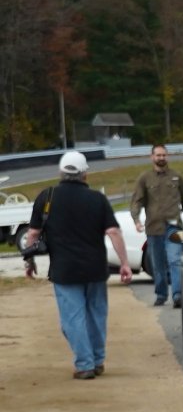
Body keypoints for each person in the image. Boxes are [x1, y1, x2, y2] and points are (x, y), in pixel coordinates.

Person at [22, 151, 132, 379]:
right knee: (96, 316)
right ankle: (97, 360)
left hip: (64, 270)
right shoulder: (97, 199)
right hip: (95, 269)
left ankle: (84, 364)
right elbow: (113, 232)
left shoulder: (47, 197)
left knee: (73, 319)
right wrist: (124, 264)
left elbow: (33, 234)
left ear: (61, 172)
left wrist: (29, 262)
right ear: (85, 174)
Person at [130, 143, 183, 308]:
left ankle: (177, 295)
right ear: (152, 157)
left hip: (175, 227)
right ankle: (161, 295)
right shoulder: (145, 178)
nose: (161, 158)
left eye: (164, 155)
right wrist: (136, 220)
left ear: (167, 156)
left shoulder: (177, 177)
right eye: (158, 155)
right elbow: (137, 201)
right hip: (153, 228)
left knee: (175, 260)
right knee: (158, 264)